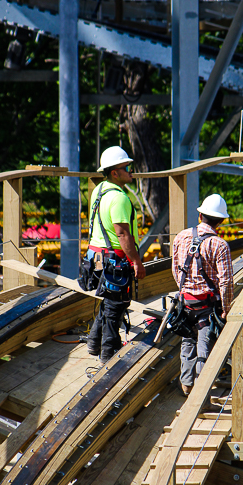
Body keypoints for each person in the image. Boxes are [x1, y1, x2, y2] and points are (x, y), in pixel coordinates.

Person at [85, 145, 146, 363]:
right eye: (126, 167)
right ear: (114, 172)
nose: (131, 170)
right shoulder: (119, 198)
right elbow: (122, 235)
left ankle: (94, 343)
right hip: (115, 260)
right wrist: (136, 262)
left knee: (108, 301)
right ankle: (108, 356)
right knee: (116, 306)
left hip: (97, 258)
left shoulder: (99, 190)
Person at [171, 194, 234, 396]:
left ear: (200, 216)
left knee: (188, 341)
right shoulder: (220, 245)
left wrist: (185, 289)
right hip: (206, 305)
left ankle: (187, 385)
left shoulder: (181, 236)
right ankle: (203, 389)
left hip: (185, 302)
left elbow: (175, 270)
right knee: (204, 344)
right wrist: (226, 308)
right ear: (221, 221)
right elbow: (225, 281)